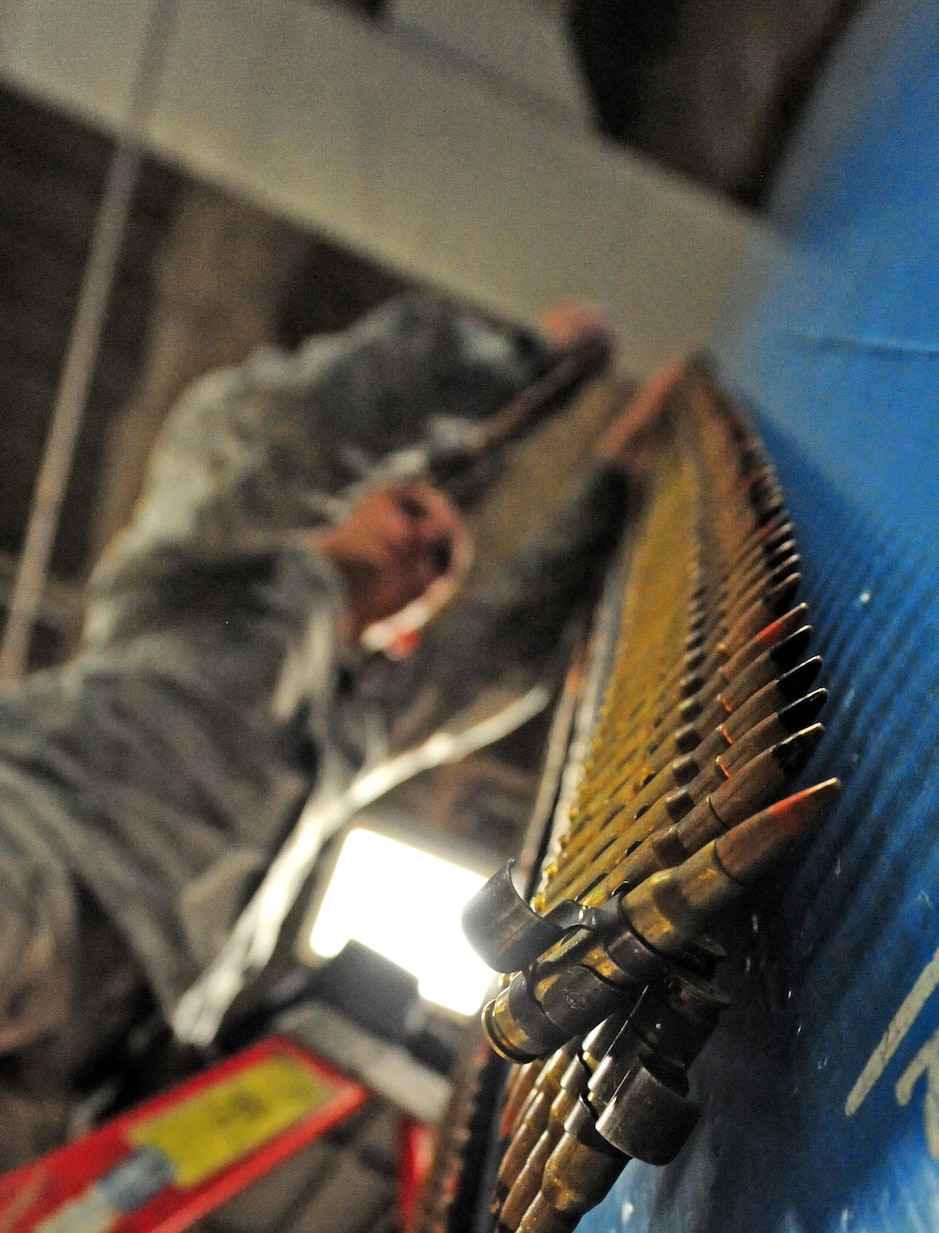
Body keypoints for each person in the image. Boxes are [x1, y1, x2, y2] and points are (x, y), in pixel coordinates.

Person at [0, 292, 665, 1173]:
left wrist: (616, 480)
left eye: (442, 562)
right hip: (35, 861)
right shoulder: (197, 585)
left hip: (87, 1058)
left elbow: (496, 659)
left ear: (413, 623)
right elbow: (261, 435)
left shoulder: (352, 734)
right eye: (409, 507)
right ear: (338, 506)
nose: (422, 542)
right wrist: (508, 360)